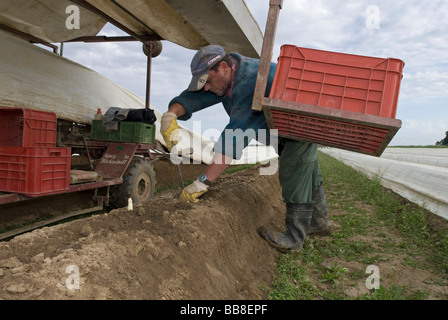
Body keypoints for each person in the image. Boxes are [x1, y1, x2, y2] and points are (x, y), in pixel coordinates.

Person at [160, 45, 330, 253]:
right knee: (309, 172)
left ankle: (294, 238)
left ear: (223, 67)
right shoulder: (229, 75)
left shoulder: (250, 84)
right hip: (284, 129)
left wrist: (202, 183)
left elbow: (234, 138)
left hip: (300, 125)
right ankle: (319, 223)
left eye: (208, 81)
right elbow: (197, 96)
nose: (207, 88)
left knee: (294, 172)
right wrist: (171, 114)